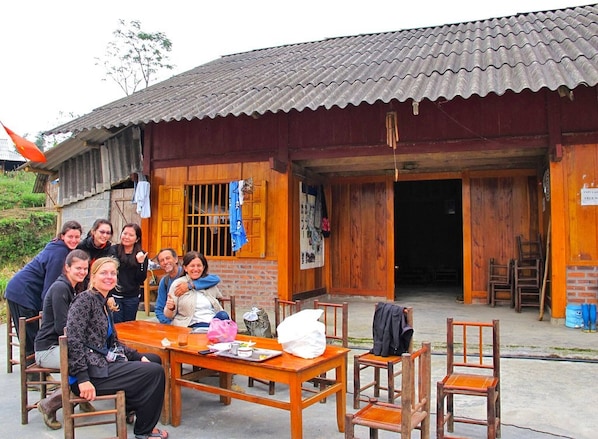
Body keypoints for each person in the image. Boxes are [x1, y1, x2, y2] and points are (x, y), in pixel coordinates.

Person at [66, 257, 168, 439]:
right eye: (104, 273)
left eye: (113, 273)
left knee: (153, 359)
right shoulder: (84, 301)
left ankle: (130, 408)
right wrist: (82, 378)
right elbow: (74, 341)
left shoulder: (103, 302)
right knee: (155, 372)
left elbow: (114, 343)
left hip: (101, 363)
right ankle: (145, 431)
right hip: (90, 373)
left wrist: (137, 356)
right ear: (93, 276)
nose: (109, 277)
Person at [34, 249, 94, 430]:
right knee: (85, 362)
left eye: (85, 268)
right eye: (78, 268)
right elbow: (63, 327)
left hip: (61, 346)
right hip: (48, 350)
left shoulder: (72, 287)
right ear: (67, 268)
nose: (82, 272)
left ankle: (81, 399)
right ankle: (49, 404)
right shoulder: (61, 288)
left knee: (92, 357)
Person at [5, 220, 83, 358]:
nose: (74, 240)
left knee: (34, 333)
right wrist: (46, 312)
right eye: (70, 236)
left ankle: (34, 365)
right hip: (22, 292)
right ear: (62, 236)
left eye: (77, 237)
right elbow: (50, 287)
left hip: (25, 291)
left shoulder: (60, 248)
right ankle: (31, 370)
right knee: (30, 335)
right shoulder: (60, 253)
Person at [154, 248, 221, 324]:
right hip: (179, 320)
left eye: (168, 258)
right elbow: (159, 308)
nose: (165, 262)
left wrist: (190, 285)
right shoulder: (165, 282)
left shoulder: (192, 274)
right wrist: (168, 323)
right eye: (162, 260)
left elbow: (215, 279)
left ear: (176, 259)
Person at [111, 223, 148, 323]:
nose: (126, 237)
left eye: (131, 235)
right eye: (125, 233)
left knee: (129, 325)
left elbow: (141, 279)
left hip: (132, 297)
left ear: (137, 239)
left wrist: (140, 263)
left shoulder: (141, 254)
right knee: (116, 326)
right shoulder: (113, 250)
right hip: (115, 296)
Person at [76, 218, 115, 288]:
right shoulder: (82, 247)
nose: (105, 235)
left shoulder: (110, 251)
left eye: (108, 233)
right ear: (93, 231)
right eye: (102, 232)